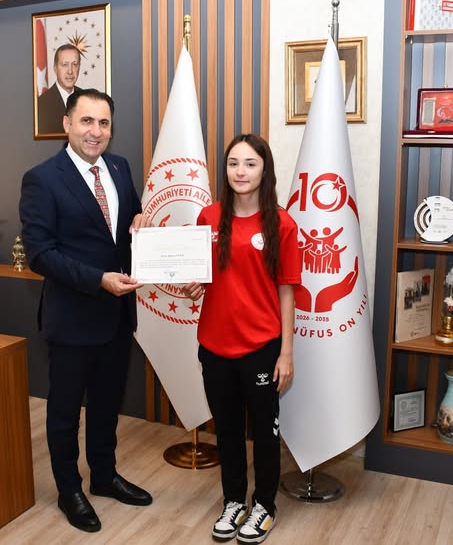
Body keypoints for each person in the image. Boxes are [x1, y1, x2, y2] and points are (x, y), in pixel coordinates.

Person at [19, 89, 153, 533]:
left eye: (104, 123)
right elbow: (40, 254)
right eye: (87, 121)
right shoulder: (42, 179)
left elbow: (128, 224)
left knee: (106, 404)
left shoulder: (120, 168)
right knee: (64, 412)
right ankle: (69, 489)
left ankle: (104, 475)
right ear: (67, 124)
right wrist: (98, 279)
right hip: (73, 318)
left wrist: (140, 224)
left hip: (117, 316)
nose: (96, 131)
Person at [183, 134, 301, 544]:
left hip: (262, 348)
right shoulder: (208, 217)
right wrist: (194, 285)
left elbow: (287, 291)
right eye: (233, 163)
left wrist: (286, 353)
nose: (241, 171)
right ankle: (233, 500)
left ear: (265, 170)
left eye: (250, 164)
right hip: (215, 346)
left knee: (265, 434)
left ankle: (264, 505)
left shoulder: (282, 224)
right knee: (228, 431)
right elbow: (206, 275)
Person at [37, 44, 82, 134]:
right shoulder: (41, 104)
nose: (70, 71)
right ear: (55, 68)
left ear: (79, 67)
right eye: (65, 64)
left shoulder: (87, 99)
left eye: (74, 64)